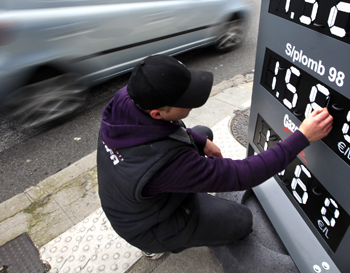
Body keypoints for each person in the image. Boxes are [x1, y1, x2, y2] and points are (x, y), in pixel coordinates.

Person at [97, 54, 333, 259]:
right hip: (151, 226)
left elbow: (159, 133)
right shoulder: (167, 165)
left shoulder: (125, 100)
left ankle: (188, 180)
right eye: (185, 100)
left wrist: (199, 141)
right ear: (157, 113)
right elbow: (243, 174)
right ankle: (154, 246)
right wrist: (302, 137)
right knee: (242, 221)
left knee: (201, 132)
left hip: (130, 195)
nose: (193, 101)